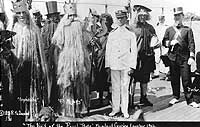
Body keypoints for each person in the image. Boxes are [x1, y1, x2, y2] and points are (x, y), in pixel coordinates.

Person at [10, 0, 49, 121]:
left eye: (23, 12)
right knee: (19, 92)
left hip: (32, 68)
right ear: (15, 15)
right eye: (18, 13)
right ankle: (20, 114)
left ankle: (31, 113)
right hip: (17, 69)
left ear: (27, 13)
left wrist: (41, 67)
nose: (21, 15)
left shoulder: (34, 30)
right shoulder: (13, 30)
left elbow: (40, 52)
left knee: (32, 92)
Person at [52, 1, 90, 118]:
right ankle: (68, 109)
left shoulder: (80, 26)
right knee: (67, 84)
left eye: (73, 16)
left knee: (79, 84)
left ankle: (79, 109)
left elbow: (86, 40)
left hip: (79, 58)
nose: (72, 18)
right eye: (70, 16)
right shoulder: (62, 26)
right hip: (67, 59)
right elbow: (58, 42)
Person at [105, 10, 137, 118]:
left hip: (125, 64)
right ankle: (115, 109)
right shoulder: (112, 34)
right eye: (118, 18)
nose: (120, 20)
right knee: (115, 87)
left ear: (126, 19)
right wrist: (107, 64)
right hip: (114, 64)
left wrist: (132, 66)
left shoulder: (130, 34)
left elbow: (134, 51)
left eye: (122, 18)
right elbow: (108, 50)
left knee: (124, 87)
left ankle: (125, 110)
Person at [162, 7, 195, 105]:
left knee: (186, 79)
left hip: (184, 58)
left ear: (182, 16)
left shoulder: (187, 30)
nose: (177, 17)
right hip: (172, 58)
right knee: (174, 79)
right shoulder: (169, 29)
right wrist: (170, 42)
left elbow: (191, 44)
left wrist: (191, 57)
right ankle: (175, 96)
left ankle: (190, 99)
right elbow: (164, 42)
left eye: (179, 15)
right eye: (175, 16)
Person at [129, 5, 156, 107]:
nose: (143, 17)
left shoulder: (150, 27)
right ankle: (130, 100)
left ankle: (143, 98)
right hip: (135, 57)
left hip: (147, 57)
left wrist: (156, 43)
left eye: (145, 15)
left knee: (145, 80)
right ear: (137, 15)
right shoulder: (131, 27)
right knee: (133, 80)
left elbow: (155, 40)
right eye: (141, 15)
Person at [41, 1, 60, 108]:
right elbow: (44, 45)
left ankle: (56, 102)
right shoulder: (46, 29)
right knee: (49, 80)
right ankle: (50, 102)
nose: (54, 19)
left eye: (55, 16)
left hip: (59, 58)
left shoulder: (59, 27)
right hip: (48, 59)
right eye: (52, 17)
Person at [94, 13, 113, 106]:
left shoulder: (113, 32)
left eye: (107, 21)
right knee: (100, 78)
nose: (105, 23)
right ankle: (100, 99)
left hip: (111, 59)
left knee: (110, 79)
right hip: (100, 58)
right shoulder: (98, 33)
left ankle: (111, 98)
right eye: (103, 21)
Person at [155, 15, 170, 81]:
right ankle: (156, 72)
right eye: (160, 18)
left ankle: (168, 74)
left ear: (164, 19)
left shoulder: (167, 27)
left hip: (164, 45)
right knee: (157, 58)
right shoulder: (156, 28)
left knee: (165, 59)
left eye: (162, 18)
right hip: (158, 45)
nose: (161, 19)